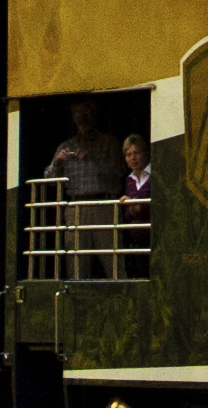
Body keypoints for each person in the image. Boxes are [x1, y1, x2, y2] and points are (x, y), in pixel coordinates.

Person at [32, 98, 126, 280]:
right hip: (75, 209)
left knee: (113, 263)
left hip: (103, 206)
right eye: (78, 113)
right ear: (73, 117)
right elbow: (48, 180)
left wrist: (94, 159)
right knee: (76, 266)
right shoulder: (66, 146)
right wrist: (57, 163)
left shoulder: (108, 142)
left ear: (94, 114)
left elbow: (120, 171)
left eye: (87, 112)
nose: (83, 117)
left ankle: (122, 300)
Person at [116, 126, 156, 280]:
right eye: (128, 154)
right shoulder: (129, 179)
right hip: (137, 238)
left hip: (154, 237)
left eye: (136, 153)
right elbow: (127, 214)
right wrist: (132, 207)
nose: (132, 158)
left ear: (145, 153)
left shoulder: (156, 174)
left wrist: (136, 205)